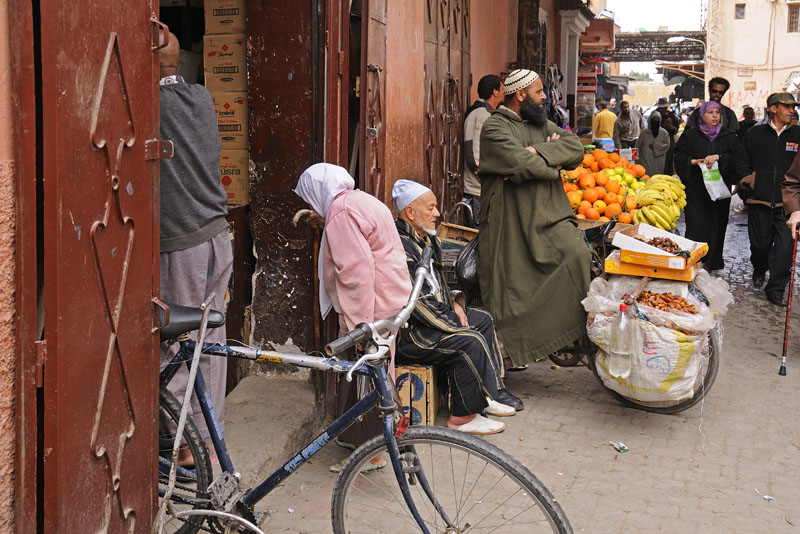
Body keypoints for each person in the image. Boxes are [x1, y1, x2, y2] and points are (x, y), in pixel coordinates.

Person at [294, 163, 412, 470]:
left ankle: (370, 452)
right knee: (377, 373)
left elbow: (356, 273)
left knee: (367, 376)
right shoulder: (357, 200)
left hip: (372, 307)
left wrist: (360, 328)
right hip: (389, 298)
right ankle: (369, 444)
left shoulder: (342, 213)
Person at [476, 68, 591, 367]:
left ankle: (558, 333)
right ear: (521, 94)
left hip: (548, 215)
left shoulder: (539, 123)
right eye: (539, 92)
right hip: (510, 221)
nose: (545, 97)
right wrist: (552, 163)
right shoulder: (495, 128)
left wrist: (538, 150)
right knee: (513, 284)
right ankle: (513, 350)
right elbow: (525, 165)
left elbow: (574, 148)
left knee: (577, 255)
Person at [392, 179, 523, 436]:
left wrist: (456, 303)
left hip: (430, 317)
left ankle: (489, 394)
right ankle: (463, 418)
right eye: (430, 208)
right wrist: (453, 322)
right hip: (409, 332)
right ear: (410, 212)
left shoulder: (426, 240)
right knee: (468, 339)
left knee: (481, 320)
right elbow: (415, 303)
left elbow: (436, 285)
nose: (437, 214)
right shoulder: (401, 247)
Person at [159, 32, 233, 462]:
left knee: (175, 343)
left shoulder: (153, 107)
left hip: (182, 241)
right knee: (210, 341)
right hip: (216, 235)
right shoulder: (202, 97)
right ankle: (205, 434)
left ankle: (185, 442)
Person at [737, 92, 800, 306]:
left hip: (788, 205)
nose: (791, 110)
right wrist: (750, 182)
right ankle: (759, 267)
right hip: (759, 202)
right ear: (773, 108)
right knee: (760, 246)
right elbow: (741, 162)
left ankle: (776, 289)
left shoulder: (798, 135)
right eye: (786, 106)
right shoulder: (755, 134)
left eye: (793, 107)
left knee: (784, 249)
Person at [674, 101, 741, 271]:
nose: (714, 116)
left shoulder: (729, 136)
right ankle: (694, 262)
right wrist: (693, 162)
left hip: (719, 192)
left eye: (717, 112)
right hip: (696, 191)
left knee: (717, 227)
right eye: (710, 112)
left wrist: (719, 157)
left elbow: (738, 158)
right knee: (696, 226)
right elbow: (679, 157)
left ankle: (712, 262)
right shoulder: (690, 136)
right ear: (702, 115)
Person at [463, 75, 504, 228]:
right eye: (502, 89)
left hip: (483, 187)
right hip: (477, 189)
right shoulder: (479, 115)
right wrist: (488, 177)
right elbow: (473, 156)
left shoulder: (486, 114)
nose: (503, 92)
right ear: (494, 91)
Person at [635, 111, 671, 176]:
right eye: (654, 119)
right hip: (645, 160)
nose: (656, 121)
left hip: (659, 161)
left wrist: (655, 146)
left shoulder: (664, 133)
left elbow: (667, 146)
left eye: (658, 119)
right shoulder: (644, 133)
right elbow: (637, 147)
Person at [655, 97, 683, 175]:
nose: (663, 110)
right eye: (662, 108)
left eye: (665, 108)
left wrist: (671, 127)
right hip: (657, 141)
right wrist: (662, 126)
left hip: (669, 140)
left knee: (669, 160)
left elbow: (676, 129)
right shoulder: (655, 115)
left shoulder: (672, 116)